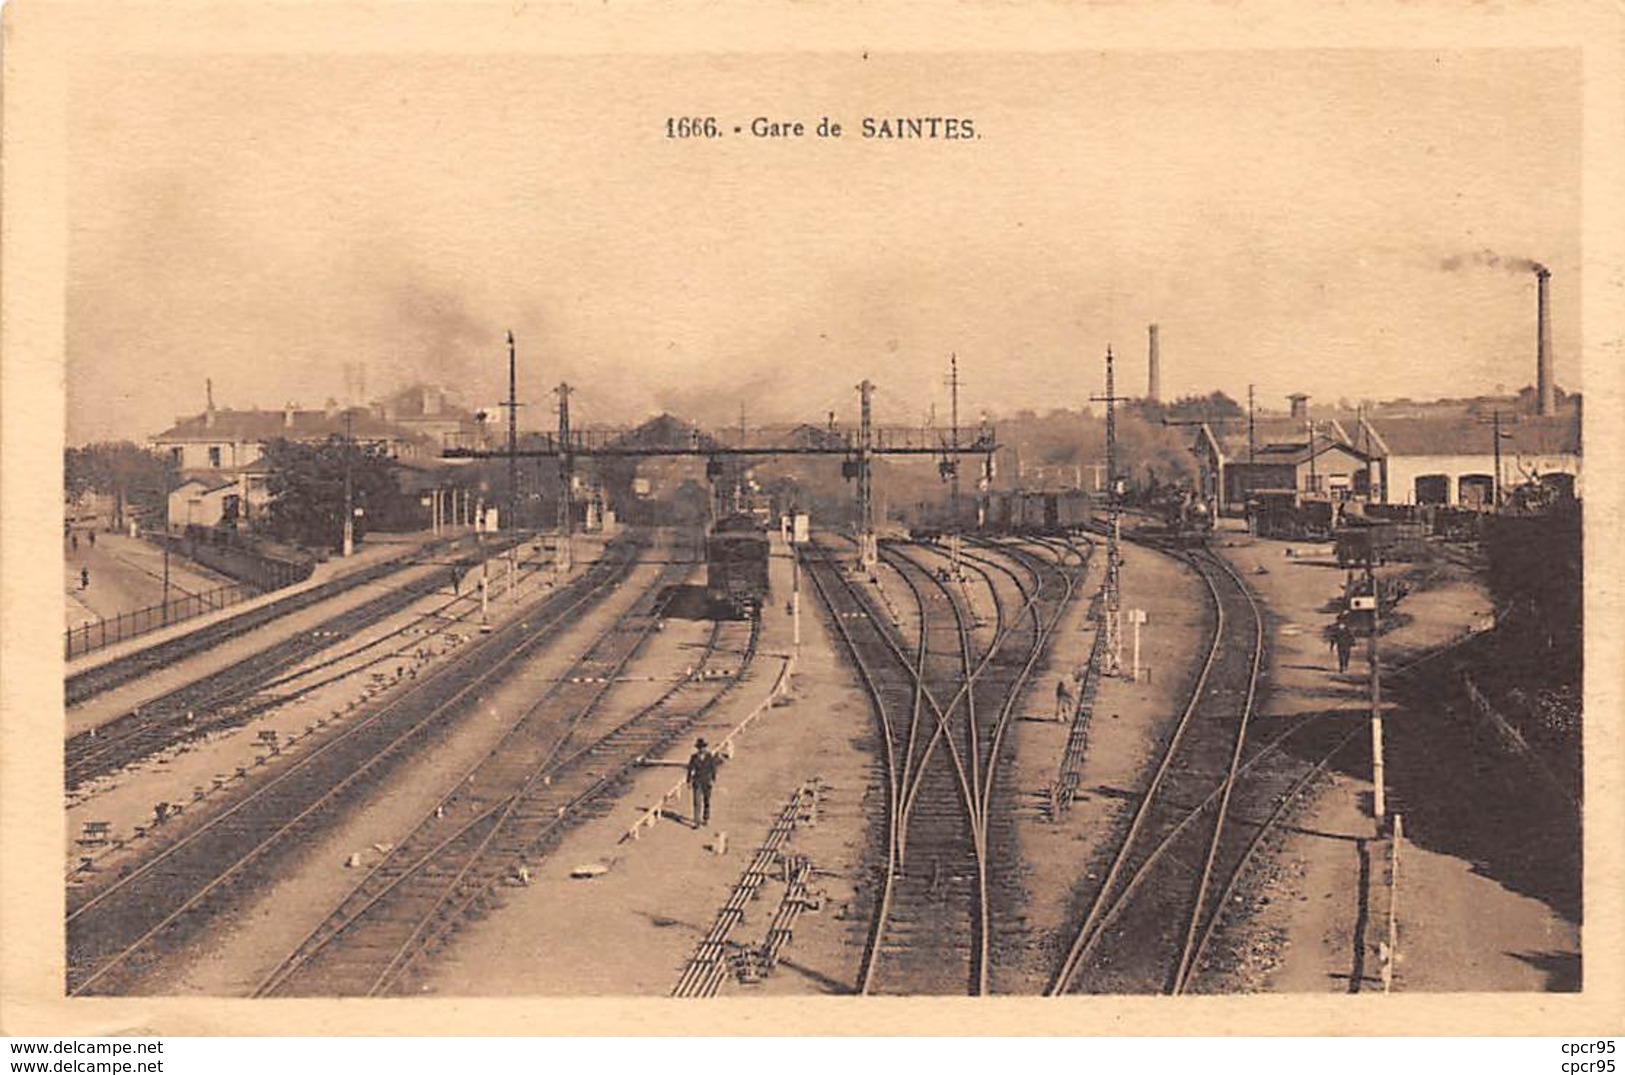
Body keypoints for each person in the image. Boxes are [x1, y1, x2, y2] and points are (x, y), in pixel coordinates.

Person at [686, 737, 722, 828]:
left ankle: (706, 818)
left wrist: (713, 780)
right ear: (698, 748)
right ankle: (697, 822)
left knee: (706, 801)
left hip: (707, 781)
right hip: (697, 781)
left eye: (703, 747)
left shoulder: (709, 757)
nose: (702, 749)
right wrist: (689, 781)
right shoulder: (694, 757)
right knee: (697, 802)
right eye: (700, 747)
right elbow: (690, 770)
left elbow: (713, 769)